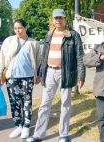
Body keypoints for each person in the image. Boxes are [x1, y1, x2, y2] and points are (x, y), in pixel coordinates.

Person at [27, 9, 85, 142]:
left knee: (65, 104)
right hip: (49, 72)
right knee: (44, 104)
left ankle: (63, 134)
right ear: (53, 20)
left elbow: (80, 57)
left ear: (65, 19)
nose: (58, 20)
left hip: (66, 73)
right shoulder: (49, 35)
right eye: (56, 18)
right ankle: (38, 134)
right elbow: (43, 56)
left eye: (61, 18)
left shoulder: (73, 35)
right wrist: (40, 73)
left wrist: (81, 76)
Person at [0, 19, 41, 139]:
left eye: (20, 28)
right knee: (15, 103)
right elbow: (2, 59)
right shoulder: (8, 41)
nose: (17, 30)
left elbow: (39, 61)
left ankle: (26, 126)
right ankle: (19, 125)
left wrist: (38, 75)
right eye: (15, 28)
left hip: (28, 77)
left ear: (26, 27)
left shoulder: (33, 43)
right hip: (11, 77)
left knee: (26, 102)